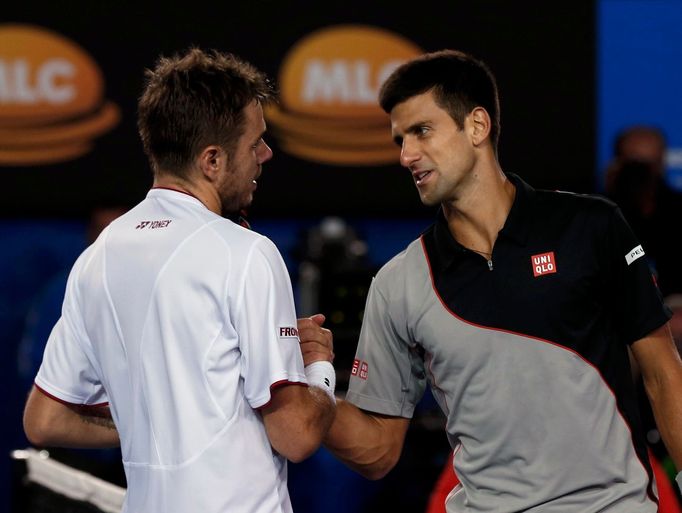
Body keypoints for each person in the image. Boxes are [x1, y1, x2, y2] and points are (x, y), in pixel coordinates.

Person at [301, 50, 682, 512]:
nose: (406, 156)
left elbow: (664, 374)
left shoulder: (592, 227)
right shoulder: (398, 283)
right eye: (400, 139)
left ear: (477, 126)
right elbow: (378, 450)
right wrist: (310, 389)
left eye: (421, 131)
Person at [22, 47, 336, 513]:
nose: (266, 155)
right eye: (255, 143)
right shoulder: (247, 253)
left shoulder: (98, 257)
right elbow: (297, 435)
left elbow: (45, 419)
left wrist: (150, 422)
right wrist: (318, 370)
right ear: (212, 161)